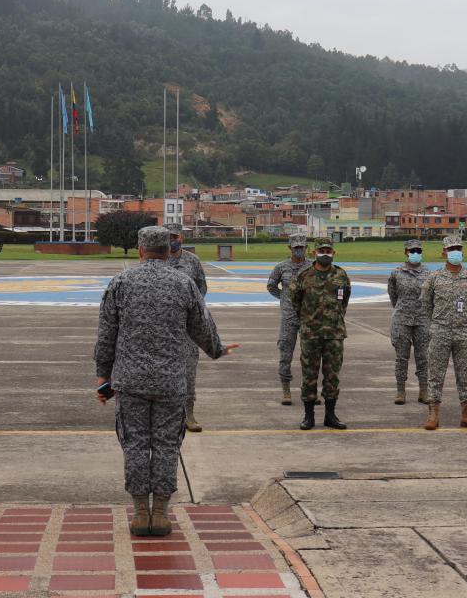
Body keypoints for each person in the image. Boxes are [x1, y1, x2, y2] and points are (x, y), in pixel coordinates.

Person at [95, 225, 237, 537]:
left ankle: (139, 512)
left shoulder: (120, 283)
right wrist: (218, 349)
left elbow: (106, 336)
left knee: (135, 444)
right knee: (166, 445)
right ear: (167, 249)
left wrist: (104, 379)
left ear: (140, 249)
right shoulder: (183, 283)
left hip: (130, 382)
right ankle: (160, 512)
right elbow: (203, 327)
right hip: (172, 381)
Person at [421, 235, 467, 431]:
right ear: (443, 253)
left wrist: (462, 320)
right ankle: (433, 414)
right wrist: (438, 322)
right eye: (451, 249)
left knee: (465, 374)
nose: (455, 252)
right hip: (440, 331)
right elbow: (426, 304)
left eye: (458, 248)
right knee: (436, 375)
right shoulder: (434, 277)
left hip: (463, 332)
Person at [289, 237, 351, 430]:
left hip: (334, 334)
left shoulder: (341, 275)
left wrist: (334, 318)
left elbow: (344, 301)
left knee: (332, 376)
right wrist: (308, 320)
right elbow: (295, 300)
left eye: (328, 251)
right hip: (311, 334)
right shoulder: (303, 275)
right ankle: (309, 417)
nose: (325, 254)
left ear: (334, 253)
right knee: (309, 375)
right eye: (321, 251)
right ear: (314, 253)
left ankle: (330, 416)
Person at [165, 223, 208, 432]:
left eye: (174, 236)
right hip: (162, 329)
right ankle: (167, 416)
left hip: (187, 328)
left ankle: (189, 414)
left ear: (181, 237)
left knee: (189, 372)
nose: (171, 240)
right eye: (167, 236)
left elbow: (201, 289)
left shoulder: (193, 261)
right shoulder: (157, 261)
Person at [267, 233, 309, 405]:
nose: (298, 250)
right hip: (289, 318)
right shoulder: (281, 267)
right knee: (286, 353)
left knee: (310, 356)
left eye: (301, 247)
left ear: (306, 248)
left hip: (308, 317)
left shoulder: (312, 267)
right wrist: (284, 299)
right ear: (289, 248)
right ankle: (286, 390)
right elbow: (271, 286)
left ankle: (309, 390)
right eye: (295, 248)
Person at [387, 239, 431, 405]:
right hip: (402, 319)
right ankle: (401, 391)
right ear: (406, 252)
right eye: (412, 251)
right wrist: (403, 308)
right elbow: (393, 296)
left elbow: (431, 298)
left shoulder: (429, 274)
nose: (415, 254)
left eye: (418, 251)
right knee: (401, 357)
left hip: (422, 319)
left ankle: (424, 391)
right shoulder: (396, 273)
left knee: (423, 357)